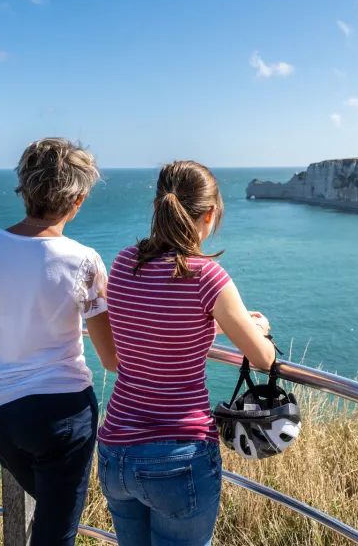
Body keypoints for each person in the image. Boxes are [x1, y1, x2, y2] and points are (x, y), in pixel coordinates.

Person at [97, 161, 276, 546]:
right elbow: (263, 358)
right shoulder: (207, 276)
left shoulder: (124, 263)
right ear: (209, 214)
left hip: (116, 451)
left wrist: (213, 323)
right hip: (179, 455)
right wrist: (254, 326)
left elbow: (149, 329)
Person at [0, 138, 118, 546]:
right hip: (62, 419)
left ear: (24, 190)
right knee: (55, 532)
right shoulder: (83, 260)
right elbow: (111, 359)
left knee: (47, 513)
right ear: (78, 200)